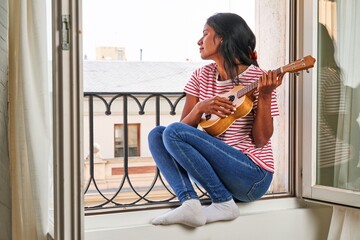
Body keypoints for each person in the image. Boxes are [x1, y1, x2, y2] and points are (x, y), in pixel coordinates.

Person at [148, 12, 284, 227]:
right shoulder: (200, 77)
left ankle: (222, 203)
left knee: (171, 131)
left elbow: (260, 140)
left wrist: (265, 95)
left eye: (205, 34)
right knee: (157, 134)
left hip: (252, 176)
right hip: (221, 175)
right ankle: (190, 204)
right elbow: (177, 133)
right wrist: (201, 107)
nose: (199, 41)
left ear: (222, 38)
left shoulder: (258, 78)